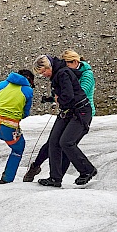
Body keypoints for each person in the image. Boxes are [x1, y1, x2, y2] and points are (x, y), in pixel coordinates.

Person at [23, 49, 95, 181]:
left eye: (44, 71)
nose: (43, 75)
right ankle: (55, 178)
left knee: (66, 143)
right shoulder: (59, 74)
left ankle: (87, 170)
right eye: (41, 73)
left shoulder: (63, 74)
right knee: (53, 143)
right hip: (69, 112)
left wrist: (58, 100)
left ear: (49, 66)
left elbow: (69, 95)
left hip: (80, 112)